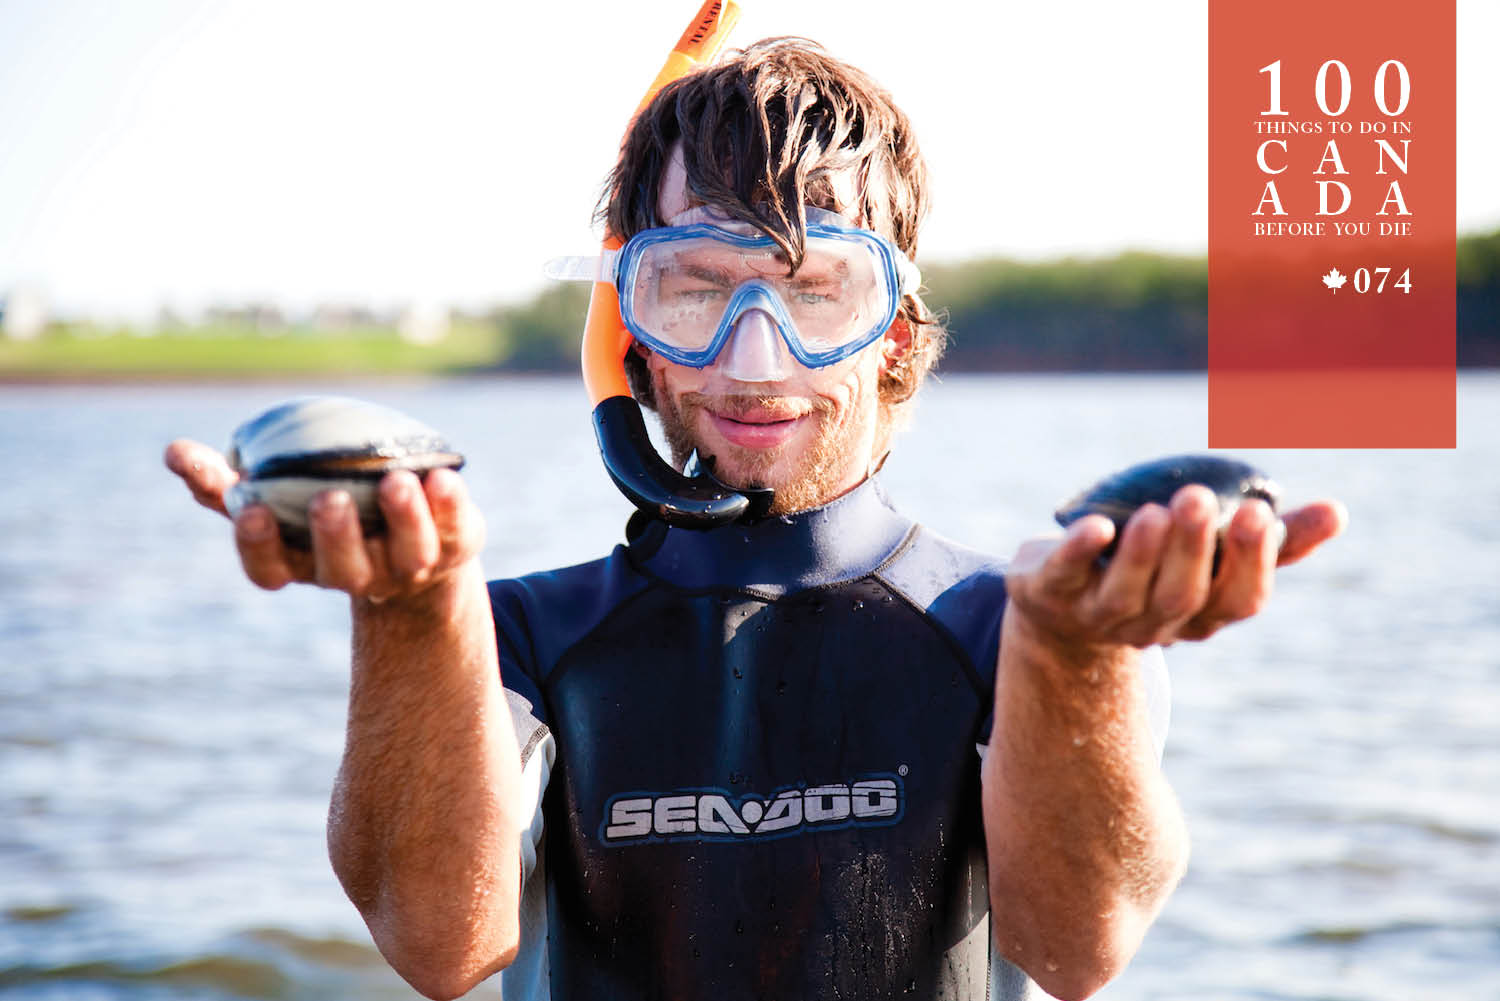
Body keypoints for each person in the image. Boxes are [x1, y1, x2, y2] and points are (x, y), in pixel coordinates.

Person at [165, 38, 1344, 1001]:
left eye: (815, 287)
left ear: (893, 328)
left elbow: (1083, 945)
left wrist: (1077, 657)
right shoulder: (513, 635)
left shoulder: (1019, 623)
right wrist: (413, 609)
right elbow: (436, 942)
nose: (753, 352)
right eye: (697, 285)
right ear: (633, 333)